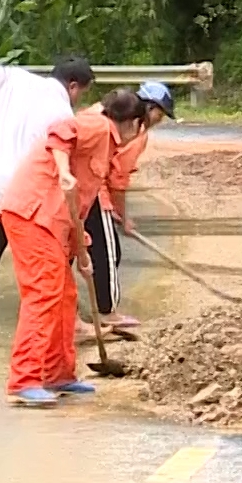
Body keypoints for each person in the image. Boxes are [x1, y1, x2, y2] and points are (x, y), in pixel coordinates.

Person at [0, 89, 147, 407]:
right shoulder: (97, 126)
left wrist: (81, 250)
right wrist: (63, 170)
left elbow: (80, 202)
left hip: (55, 223)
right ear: (133, 124)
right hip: (33, 215)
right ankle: (24, 380)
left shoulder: (104, 141)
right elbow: (60, 133)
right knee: (44, 295)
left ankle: (58, 374)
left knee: (65, 299)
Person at [0, 56, 94, 350]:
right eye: (81, 91)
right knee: (48, 258)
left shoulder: (12, 79)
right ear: (72, 86)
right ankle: (70, 323)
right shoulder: (63, 114)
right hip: (24, 197)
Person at [79, 80, 175, 337]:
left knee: (76, 250)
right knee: (108, 253)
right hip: (91, 188)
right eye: (161, 113)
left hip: (75, 184)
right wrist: (122, 215)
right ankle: (107, 311)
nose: (159, 120)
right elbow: (117, 181)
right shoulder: (134, 129)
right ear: (150, 107)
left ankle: (69, 310)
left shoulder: (99, 110)